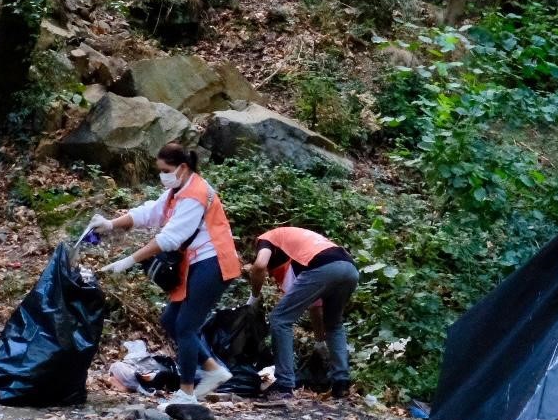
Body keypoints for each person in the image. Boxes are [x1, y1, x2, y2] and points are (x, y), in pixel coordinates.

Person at [93, 143, 242, 404]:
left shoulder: (195, 194)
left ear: (182, 168)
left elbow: (170, 239)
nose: (162, 175)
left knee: (185, 326)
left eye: (166, 170)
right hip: (196, 263)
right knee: (170, 320)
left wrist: (129, 260)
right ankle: (213, 370)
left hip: (214, 262)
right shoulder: (178, 189)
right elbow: (149, 212)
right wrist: (110, 224)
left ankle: (186, 393)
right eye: (160, 170)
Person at [247, 226, 359, 399]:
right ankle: (341, 383)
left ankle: (284, 385)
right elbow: (314, 306)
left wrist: (254, 298)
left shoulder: (267, 238)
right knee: (334, 324)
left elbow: (260, 265)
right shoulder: (302, 253)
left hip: (325, 267)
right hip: (349, 268)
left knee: (279, 318)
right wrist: (319, 341)